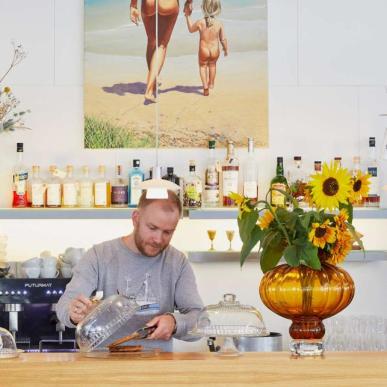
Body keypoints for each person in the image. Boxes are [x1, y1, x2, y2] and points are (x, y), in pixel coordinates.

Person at [56, 190, 203, 351]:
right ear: (136, 219)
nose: (158, 239)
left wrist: (175, 323)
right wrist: (74, 313)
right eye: (152, 228)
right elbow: (64, 305)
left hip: (157, 369)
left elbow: (202, 321)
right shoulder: (99, 255)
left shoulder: (177, 262)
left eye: (167, 232)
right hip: (103, 366)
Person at [130, 0, 195, 102]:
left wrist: (133, 5)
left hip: (148, 3)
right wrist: (188, 2)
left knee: (151, 41)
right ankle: (149, 89)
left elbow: (134, 4)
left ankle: (153, 83)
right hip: (168, 3)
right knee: (162, 45)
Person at [184, 0, 228, 96]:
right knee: (212, 65)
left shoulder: (200, 22)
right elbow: (223, 39)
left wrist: (187, 16)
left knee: (202, 66)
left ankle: (205, 87)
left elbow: (191, 29)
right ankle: (211, 83)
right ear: (217, 9)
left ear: (203, 8)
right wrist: (225, 49)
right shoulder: (219, 23)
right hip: (215, 50)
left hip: (203, 50)